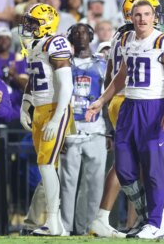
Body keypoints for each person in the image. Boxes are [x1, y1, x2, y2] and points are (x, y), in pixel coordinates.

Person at [89, 0, 164, 238]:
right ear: (131, 17)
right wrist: (101, 100)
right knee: (124, 168)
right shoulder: (125, 38)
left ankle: (155, 223)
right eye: (138, 15)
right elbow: (121, 76)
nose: (142, 19)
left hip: (153, 108)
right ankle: (152, 217)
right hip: (129, 107)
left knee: (154, 169)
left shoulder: (163, 40)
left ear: (154, 17)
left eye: (147, 15)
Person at [19, 3, 74, 236]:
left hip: (55, 108)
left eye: (33, 21)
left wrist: (58, 116)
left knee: (45, 164)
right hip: (41, 108)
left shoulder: (55, 42)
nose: (28, 26)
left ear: (45, 22)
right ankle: (57, 224)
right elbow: (33, 78)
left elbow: (66, 83)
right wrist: (26, 103)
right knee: (47, 165)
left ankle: (52, 220)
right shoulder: (35, 44)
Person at [59, 23, 108, 235]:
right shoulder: (62, 64)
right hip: (70, 129)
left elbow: (109, 99)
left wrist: (110, 131)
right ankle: (66, 227)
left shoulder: (102, 64)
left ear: (91, 36)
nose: (80, 36)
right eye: (75, 33)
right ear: (70, 38)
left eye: (83, 32)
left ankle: (88, 227)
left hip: (96, 128)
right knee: (67, 183)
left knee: (95, 184)